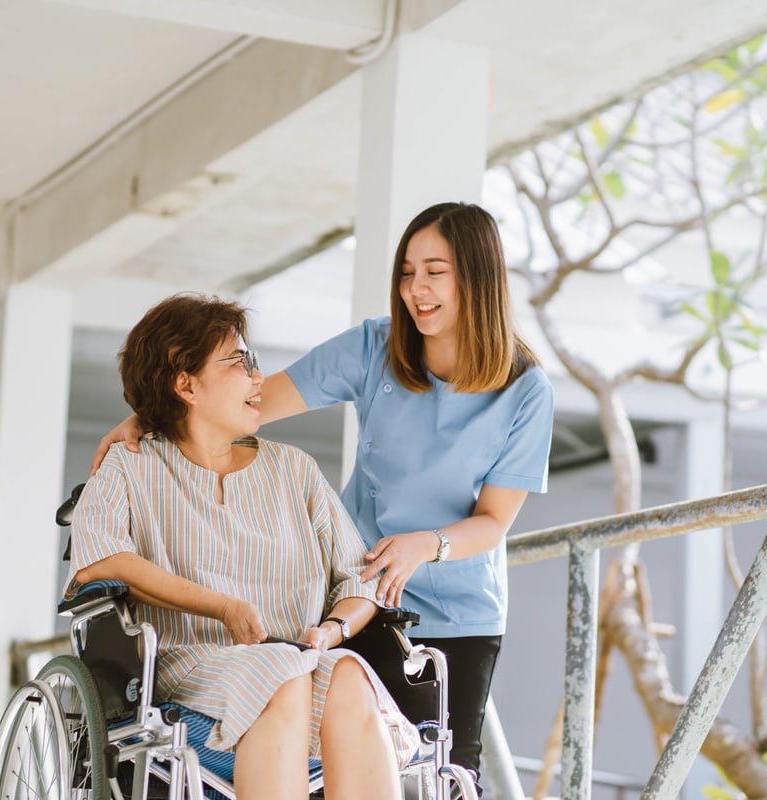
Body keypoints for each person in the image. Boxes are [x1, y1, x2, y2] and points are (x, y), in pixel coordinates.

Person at [91, 202, 554, 793]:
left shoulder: (524, 390)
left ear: (478, 277)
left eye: (434, 272)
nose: (416, 289)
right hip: (360, 588)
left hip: (460, 603)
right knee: (340, 728)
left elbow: (493, 521)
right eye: (407, 272)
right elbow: (246, 406)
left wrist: (425, 546)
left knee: (449, 773)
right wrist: (151, 410)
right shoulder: (375, 348)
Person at [70, 293, 417, 800]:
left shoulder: (294, 469)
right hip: (185, 665)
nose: (258, 377)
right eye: (239, 362)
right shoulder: (130, 464)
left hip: (297, 655)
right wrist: (221, 606)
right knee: (279, 671)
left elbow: (360, 578)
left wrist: (333, 628)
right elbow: (100, 559)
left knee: (347, 675)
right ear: (185, 384)